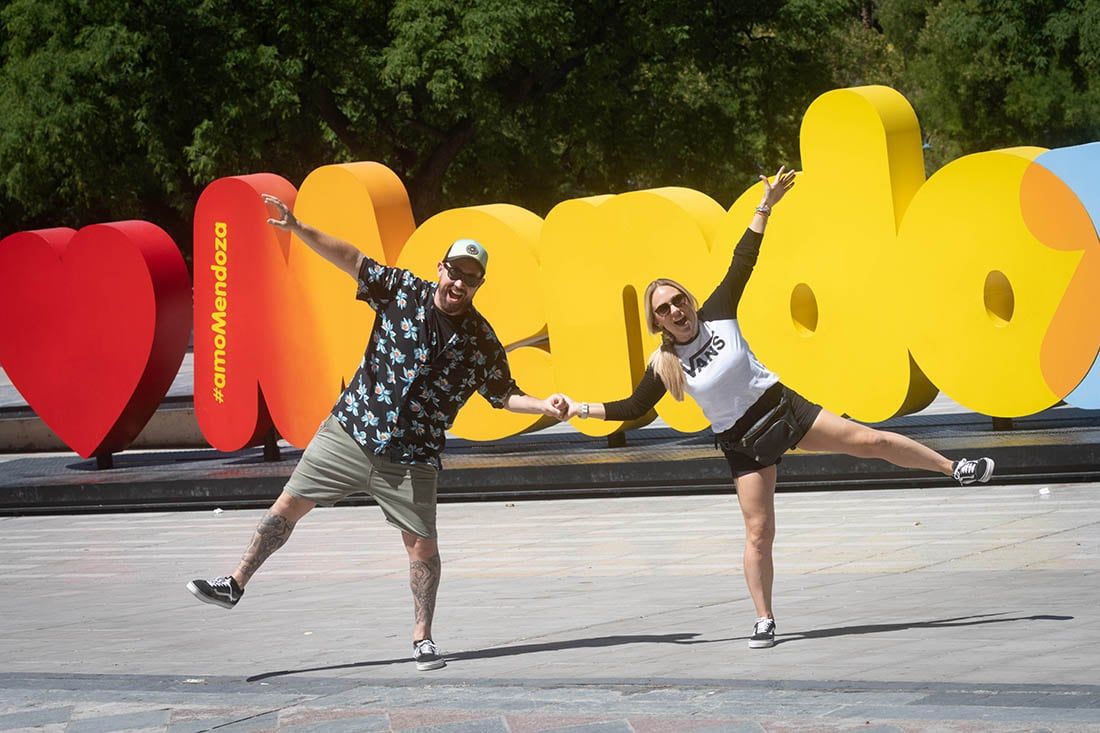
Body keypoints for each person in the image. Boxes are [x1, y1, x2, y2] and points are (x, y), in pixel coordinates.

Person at [560, 167, 995, 650]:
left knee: (870, 439)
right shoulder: (664, 363)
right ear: (656, 321)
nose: (675, 311)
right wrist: (579, 408)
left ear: (690, 300)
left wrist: (766, 205)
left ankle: (954, 468)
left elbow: (743, 258)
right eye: (663, 309)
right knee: (758, 532)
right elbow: (632, 406)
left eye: (678, 300)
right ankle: (764, 619)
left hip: (784, 409)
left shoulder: (719, 311)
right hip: (743, 444)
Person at [188, 194, 568, 671]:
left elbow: (502, 393)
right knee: (287, 506)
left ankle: (423, 638)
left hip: (412, 457)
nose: (459, 283)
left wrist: (543, 405)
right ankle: (234, 583)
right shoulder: (401, 290)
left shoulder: (480, 340)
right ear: (441, 268)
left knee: (422, 546)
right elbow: (351, 259)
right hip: (352, 429)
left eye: (471, 278)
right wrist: (299, 229)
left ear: (479, 285)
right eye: (455, 271)